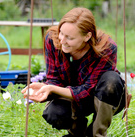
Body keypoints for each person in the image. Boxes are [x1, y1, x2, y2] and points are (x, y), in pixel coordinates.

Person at [21, 7, 126, 137]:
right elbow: (54, 79)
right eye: (61, 33)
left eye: (69, 38)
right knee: (54, 113)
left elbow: (87, 91)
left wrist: (52, 88)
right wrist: (46, 89)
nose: (62, 40)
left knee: (111, 80)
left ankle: (96, 134)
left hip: (103, 97)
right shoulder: (52, 39)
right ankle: (76, 133)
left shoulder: (106, 47)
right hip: (72, 98)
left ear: (87, 36)